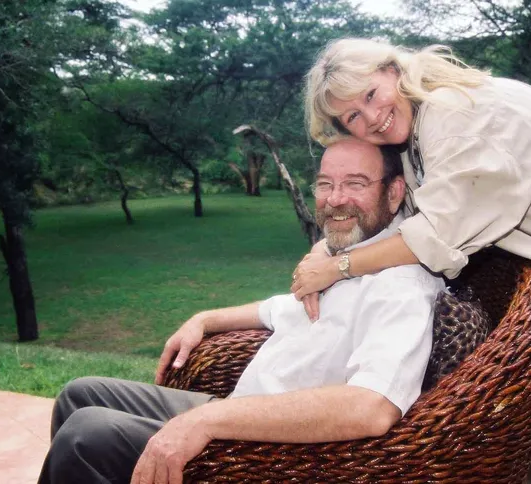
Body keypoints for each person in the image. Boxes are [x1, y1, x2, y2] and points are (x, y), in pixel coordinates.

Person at [292, 38, 531, 484]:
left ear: (393, 71)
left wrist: (338, 268)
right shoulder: (415, 135)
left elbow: (435, 236)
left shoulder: (454, 113)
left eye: (369, 95)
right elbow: (397, 216)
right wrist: (323, 251)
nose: (371, 117)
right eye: (352, 117)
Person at [38, 138, 445, 484]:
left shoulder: (400, 285)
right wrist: (205, 319)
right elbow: (282, 310)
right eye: (325, 184)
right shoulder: (348, 259)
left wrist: (206, 422)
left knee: (85, 435)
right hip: (235, 406)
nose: (335, 199)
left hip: (267, 450)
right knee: (79, 393)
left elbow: (371, 408)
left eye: (355, 184)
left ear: (393, 193)